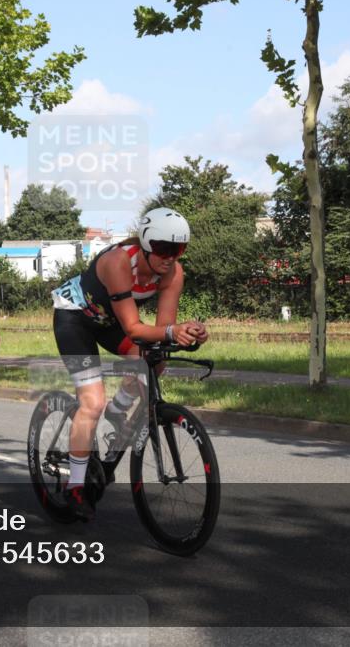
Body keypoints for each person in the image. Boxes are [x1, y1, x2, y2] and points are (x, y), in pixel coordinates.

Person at [51, 207, 209, 520]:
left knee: (155, 360)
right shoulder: (118, 262)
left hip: (110, 321)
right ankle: (76, 486)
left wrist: (189, 333)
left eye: (178, 250)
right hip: (75, 319)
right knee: (92, 402)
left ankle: (119, 407)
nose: (169, 258)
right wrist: (170, 331)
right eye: (163, 249)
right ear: (147, 245)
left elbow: (161, 334)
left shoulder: (173, 273)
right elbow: (136, 329)